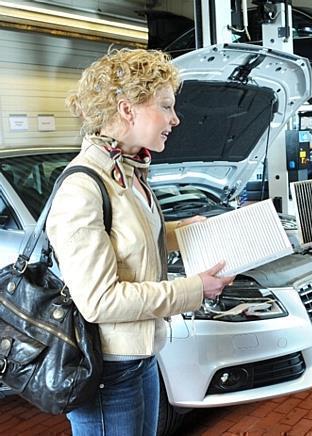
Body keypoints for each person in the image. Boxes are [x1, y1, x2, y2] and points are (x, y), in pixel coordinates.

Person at [46, 48, 233, 435]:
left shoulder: (128, 175)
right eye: (165, 106)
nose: (175, 119)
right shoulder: (83, 187)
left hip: (141, 357)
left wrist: (186, 231)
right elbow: (99, 301)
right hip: (107, 373)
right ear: (127, 109)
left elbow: (132, 242)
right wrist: (193, 290)